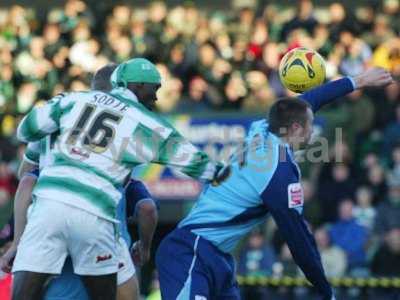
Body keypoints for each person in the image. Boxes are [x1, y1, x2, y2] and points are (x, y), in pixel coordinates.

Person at [155, 67, 394, 300]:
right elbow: (298, 240)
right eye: (311, 125)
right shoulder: (278, 173)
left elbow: (309, 101)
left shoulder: (263, 129)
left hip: (217, 257)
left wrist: (359, 81)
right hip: (189, 251)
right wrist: (325, 289)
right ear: (297, 128)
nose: (313, 133)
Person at [13, 58, 221, 300]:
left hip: (47, 206)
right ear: (136, 85)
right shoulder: (141, 120)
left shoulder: (71, 100)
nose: (155, 99)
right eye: (154, 90)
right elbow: (187, 167)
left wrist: (17, 239)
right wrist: (223, 174)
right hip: (96, 214)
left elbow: (25, 157)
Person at [1, 64, 158, 300]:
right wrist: (144, 247)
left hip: (49, 220)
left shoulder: (62, 111)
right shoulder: (128, 123)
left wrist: (17, 242)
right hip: (100, 231)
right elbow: (147, 208)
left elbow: (26, 179)